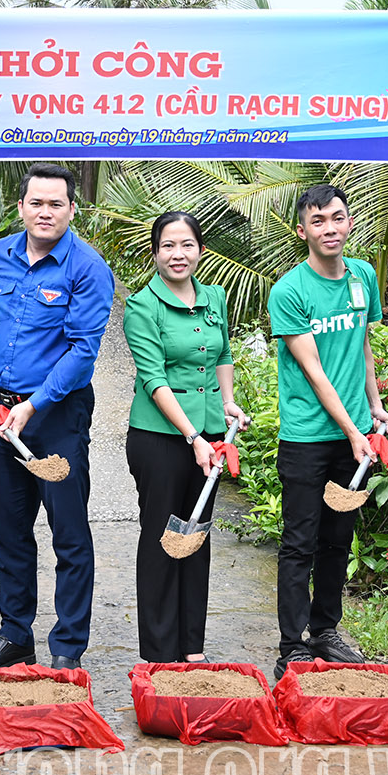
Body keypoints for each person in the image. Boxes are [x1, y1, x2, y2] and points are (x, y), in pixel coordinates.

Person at [0, 162, 115, 674]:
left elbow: (81, 352)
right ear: (22, 206)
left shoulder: (88, 268)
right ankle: (15, 635)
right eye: (36, 202)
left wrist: (32, 407)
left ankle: (68, 648)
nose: (45, 211)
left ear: (72, 209)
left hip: (55, 414)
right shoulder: (0, 255)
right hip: (2, 412)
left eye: (56, 203)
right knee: (9, 530)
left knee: (68, 532)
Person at [267, 185, 388, 680]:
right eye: (318, 221)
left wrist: (376, 410)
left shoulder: (363, 277)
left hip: (355, 438)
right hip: (307, 438)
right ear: (303, 232)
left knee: (338, 539)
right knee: (301, 541)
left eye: (338, 218)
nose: (330, 228)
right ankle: (291, 645)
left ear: (350, 222)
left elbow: (361, 349)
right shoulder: (290, 291)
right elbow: (315, 370)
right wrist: (351, 429)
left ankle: (325, 632)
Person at [122, 211, 249, 663]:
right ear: (155, 252)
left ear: (199, 249)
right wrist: (192, 435)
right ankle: (159, 652)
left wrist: (228, 401)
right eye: (168, 246)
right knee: (163, 536)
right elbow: (154, 380)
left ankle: (191, 647)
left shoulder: (215, 297)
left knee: (197, 535)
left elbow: (223, 355)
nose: (178, 254)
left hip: (210, 434)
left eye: (187, 245)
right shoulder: (142, 306)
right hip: (160, 439)